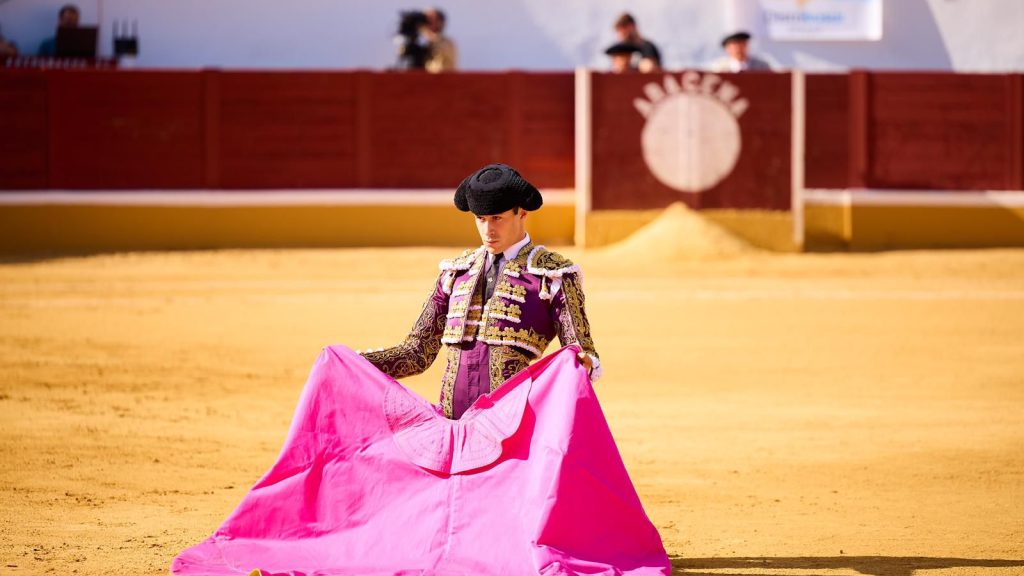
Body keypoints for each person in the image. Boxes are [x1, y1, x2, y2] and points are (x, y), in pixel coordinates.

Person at [361, 163, 599, 419]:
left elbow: (579, 349)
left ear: (522, 213)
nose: (488, 231)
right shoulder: (455, 273)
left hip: (512, 425)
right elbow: (417, 353)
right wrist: (356, 363)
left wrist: (584, 363)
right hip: (453, 424)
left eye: (497, 218)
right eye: (481, 219)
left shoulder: (552, 276)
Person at [708, 30, 774, 73]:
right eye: (735, 46)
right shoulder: (719, 68)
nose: (739, 49)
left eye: (742, 44)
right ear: (727, 49)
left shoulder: (762, 66)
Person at [423, 7, 457, 73]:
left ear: (440, 22)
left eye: (431, 19)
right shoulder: (421, 41)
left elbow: (440, 68)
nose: (428, 22)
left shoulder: (447, 43)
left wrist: (431, 37)